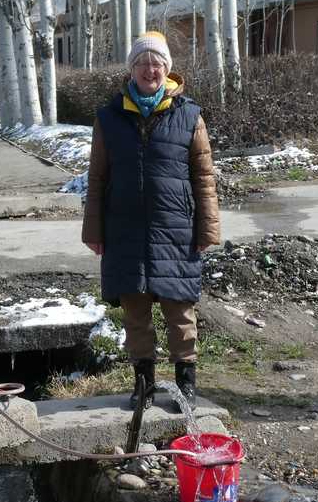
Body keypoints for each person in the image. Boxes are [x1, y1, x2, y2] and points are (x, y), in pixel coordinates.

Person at [81, 31, 220, 409]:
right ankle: (144, 384)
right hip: (124, 230)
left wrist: (207, 228)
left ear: (167, 69)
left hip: (176, 229)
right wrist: (94, 230)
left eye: (156, 63)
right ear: (131, 69)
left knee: (180, 311)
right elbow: (97, 178)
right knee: (135, 313)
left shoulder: (189, 115)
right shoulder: (109, 117)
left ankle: (186, 384)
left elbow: (203, 178)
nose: (149, 70)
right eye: (142, 63)